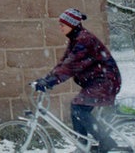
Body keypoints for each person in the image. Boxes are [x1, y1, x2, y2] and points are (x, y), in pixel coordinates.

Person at [35, 8, 122, 153]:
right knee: (76, 106)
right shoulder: (75, 40)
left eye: (63, 24)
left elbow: (71, 66)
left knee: (79, 108)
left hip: (105, 81)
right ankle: (82, 145)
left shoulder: (84, 40)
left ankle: (107, 143)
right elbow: (63, 63)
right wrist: (46, 78)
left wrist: (50, 82)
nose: (60, 27)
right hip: (97, 81)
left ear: (72, 24)